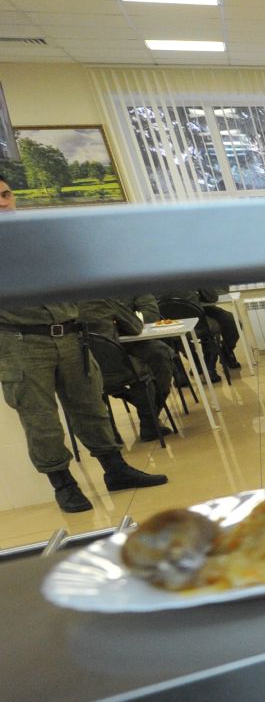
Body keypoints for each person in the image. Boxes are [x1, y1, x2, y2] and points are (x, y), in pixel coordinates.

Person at [0, 177, 167, 512]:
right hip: (23, 342)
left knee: (91, 407)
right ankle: (63, 484)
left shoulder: (42, 235)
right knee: (41, 421)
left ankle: (115, 470)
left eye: (5, 195)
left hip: (72, 335)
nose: (3, 204)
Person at [77, 293, 174, 443]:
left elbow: (150, 313)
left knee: (158, 353)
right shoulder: (102, 299)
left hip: (84, 366)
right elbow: (135, 327)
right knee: (142, 370)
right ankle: (149, 419)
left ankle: (140, 418)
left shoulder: (63, 307)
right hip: (109, 361)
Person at [158, 286, 243, 378]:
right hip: (176, 320)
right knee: (207, 330)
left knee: (231, 322)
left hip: (196, 311)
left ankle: (225, 353)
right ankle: (201, 365)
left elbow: (214, 296)